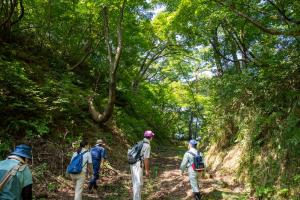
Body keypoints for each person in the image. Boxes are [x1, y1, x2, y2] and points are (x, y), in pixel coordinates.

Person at [130, 130, 154, 200]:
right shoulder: (147, 145)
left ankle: (137, 198)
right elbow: (146, 159)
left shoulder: (140, 142)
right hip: (137, 164)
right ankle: (136, 198)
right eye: (152, 136)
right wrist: (147, 171)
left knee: (138, 182)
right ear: (150, 137)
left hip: (133, 163)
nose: (152, 137)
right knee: (137, 183)